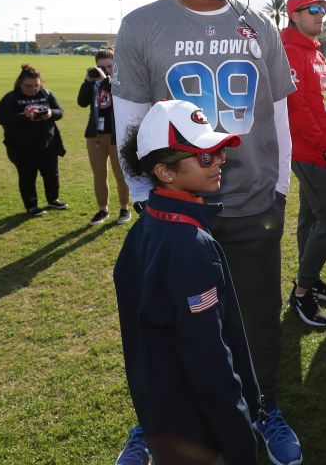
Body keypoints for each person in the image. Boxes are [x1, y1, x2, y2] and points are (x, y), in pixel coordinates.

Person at [111, 0, 301, 465]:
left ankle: (264, 406)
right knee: (163, 325)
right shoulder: (143, 25)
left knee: (257, 318)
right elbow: (129, 121)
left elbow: (279, 116)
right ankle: (155, 422)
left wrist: (281, 188)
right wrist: (147, 200)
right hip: (176, 206)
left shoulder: (258, 24)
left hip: (250, 202)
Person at [113, 100, 260, 465]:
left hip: (165, 420)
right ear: (164, 171)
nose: (220, 160)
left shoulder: (144, 229)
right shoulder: (189, 246)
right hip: (200, 434)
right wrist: (241, 440)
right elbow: (209, 362)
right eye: (205, 157)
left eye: (217, 150)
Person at [282, 0, 326, 328]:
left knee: (309, 216)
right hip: (311, 150)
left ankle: (311, 279)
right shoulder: (291, 51)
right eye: (312, 9)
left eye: (323, 8)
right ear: (294, 15)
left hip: (322, 146)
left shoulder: (313, 51)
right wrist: (323, 144)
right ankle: (302, 292)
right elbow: (296, 108)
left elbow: (323, 103)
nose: (320, 14)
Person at [0, 64, 67, 216]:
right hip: (22, 147)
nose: (33, 89)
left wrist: (50, 113)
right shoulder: (11, 98)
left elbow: (60, 112)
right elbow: (1, 118)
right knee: (27, 177)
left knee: (51, 174)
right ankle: (31, 206)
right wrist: (24, 116)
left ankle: (53, 199)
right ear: (19, 83)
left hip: (48, 144)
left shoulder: (46, 94)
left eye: (36, 85)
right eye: (28, 86)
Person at [78, 48, 131, 225]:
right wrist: (88, 81)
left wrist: (105, 80)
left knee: (120, 173)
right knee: (99, 174)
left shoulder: (120, 81)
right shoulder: (93, 82)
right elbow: (81, 102)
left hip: (116, 133)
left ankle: (124, 208)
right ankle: (103, 209)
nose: (105, 69)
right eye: (101, 67)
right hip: (95, 134)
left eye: (109, 66)